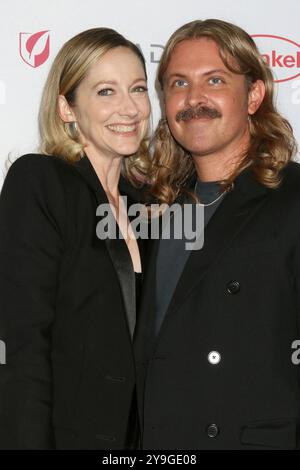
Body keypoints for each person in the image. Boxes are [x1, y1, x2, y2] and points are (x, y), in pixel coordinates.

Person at [134, 19, 300, 450]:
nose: (193, 100)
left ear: (254, 95)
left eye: (215, 80)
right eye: (178, 83)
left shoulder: (293, 197)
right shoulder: (153, 210)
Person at [0, 27, 150, 449]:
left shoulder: (148, 206)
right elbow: (23, 344)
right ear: (67, 107)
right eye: (106, 91)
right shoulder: (42, 182)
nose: (129, 107)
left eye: (137, 89)